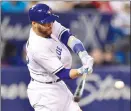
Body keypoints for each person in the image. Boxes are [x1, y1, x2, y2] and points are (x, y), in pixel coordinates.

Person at [26, 3, 94, 111]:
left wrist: (84, 55)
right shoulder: (37, 47)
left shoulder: (48, 24)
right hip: (44, 94)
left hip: (59, 86)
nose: (50, 25)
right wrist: (81, 70)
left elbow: (67, 37)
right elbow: (64, 73)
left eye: (51, 21)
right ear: (34, 23)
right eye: (45, 23)